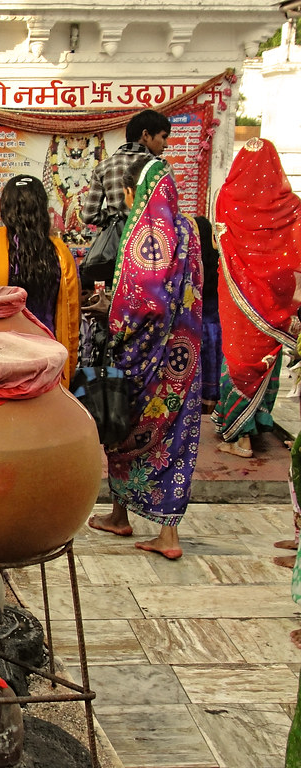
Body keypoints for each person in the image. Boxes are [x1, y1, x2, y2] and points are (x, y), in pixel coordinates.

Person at [88, 157, 203, 561]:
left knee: (123, 431)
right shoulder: (187, 229)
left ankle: (122, 515)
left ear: (137, 193)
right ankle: (164, 534)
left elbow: (145, 301)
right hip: (182, 359)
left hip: (145, 360)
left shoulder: (146, 236)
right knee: (176, 441)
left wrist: (110, 313)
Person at [211, 138, 301, 458]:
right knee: (264, 356)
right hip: (273, 298)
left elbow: (217, 242)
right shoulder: (289, 205)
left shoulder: (228, 196)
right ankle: (258, 422)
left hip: (239, 296)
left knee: (238, 357)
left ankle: (240, 438)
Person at [0, 175, 80, 386]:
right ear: (42, 208)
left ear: (5, 208)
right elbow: (71, 310)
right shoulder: (60, 253)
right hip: (47, 357)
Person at [80, 109, 170, 227]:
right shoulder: (161, 167)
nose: (166, 144)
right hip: (151, 241)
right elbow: (170, 212)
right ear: (146, 135)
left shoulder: (104, 167)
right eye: (164, 137)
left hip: (117, 242)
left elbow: (88, 215)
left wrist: (113, 217)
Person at [194, 216, 223, 414]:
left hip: (200, 323)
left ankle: (201, 400)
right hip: (218, 323)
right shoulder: (219, 260)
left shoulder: (194, 263)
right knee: (215, 360)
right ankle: (214, 400)